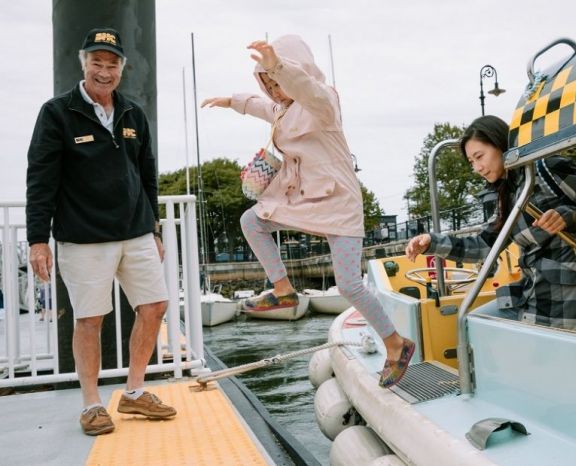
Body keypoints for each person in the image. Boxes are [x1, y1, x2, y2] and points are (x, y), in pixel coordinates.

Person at [201, 35, 414, 388]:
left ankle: (396, 343)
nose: (274, 90)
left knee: (349, 285)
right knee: (251, 221)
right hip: (302, 202)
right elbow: (258, 105)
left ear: (294, 73)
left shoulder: (322, 101)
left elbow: (304, 87)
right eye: (268, 83)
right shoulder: (281, 111)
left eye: (278, 82)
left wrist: (278, 67)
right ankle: (283, 289)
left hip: (338, 203)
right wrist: (230, 101)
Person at [26, 28, 176, 436]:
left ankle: (133, 393)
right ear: (83, 63)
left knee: (154, 307)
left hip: (137, 232)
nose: (104, 71)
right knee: (89, 320)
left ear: (121, 70)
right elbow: (40, 179)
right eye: (97, 62)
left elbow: (147, 175)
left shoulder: (132, 113)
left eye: (112, 65)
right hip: (83, 237)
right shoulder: (57, 112)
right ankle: (92, 404)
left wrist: (155, 227)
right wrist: (38, 239)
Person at [405, 115, 576, 332]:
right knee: (472, 325)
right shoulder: (507, 193)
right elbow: (484, 246)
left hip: (569, 300)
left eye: (480, 156)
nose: (477, 167)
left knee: (482, 331)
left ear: (500, 145)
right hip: (536, 293)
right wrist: (431, 242)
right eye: (472, 162)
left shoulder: (546, 168)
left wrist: (567, 215)